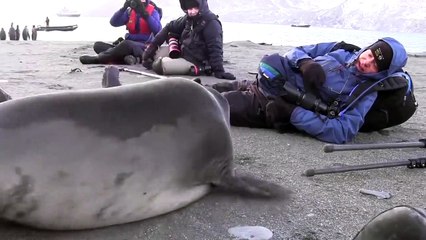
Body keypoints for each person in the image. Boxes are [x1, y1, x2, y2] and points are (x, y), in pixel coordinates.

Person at [204, 37, 413, 144]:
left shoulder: (367, 91)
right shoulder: (342, 50)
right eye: (368, 54)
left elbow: (343, 131)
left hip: (272, 107)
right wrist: (305, 63)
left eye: (375, 64)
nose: (365, 61)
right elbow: (297, 51)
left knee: (207, 106)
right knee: (202, 88)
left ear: (383, 71)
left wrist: (293, 113)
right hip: (267, 80)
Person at [141, 0, 235, 80]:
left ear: (201, 5)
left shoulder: (211, 23)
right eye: (189, 9)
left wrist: (219, 70)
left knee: (161, 66)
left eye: (195, 8)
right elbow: (169, 27)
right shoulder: (188, 19)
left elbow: (215, 47)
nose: (192, 12)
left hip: (196, 61)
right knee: (154, 54)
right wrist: (152, 47)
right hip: (183, 53)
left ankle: (199, 69)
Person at [79, 0, 162, 65]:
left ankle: (99, 58)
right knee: (98, 45)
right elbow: (113, 22)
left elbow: (158, 30)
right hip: (128, 45)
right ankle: (128, 58)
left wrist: (145, 15)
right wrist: (123, 9)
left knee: (125, 44)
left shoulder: (153, 12)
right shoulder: (130, 12)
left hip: (144, 47)